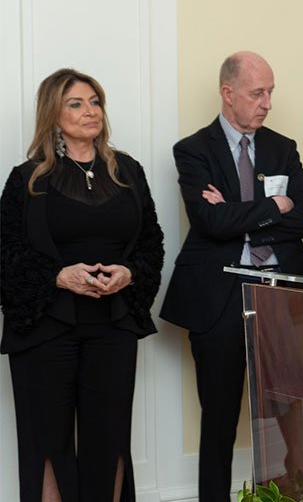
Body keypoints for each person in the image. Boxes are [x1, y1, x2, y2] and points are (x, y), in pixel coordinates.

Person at [160, 51, 303, 502]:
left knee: (291, 407)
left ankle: (298, 490)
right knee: (220, 418)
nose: (267, 102)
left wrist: (236, 213)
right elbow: (209, 223)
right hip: (220, 297)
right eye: (257, 93)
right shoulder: (193, 150)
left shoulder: (281, 147)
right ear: (228, 94)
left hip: (281, 293)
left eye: (271, 92)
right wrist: (274, 207)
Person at [0, 68, 165, 502]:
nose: (90, 111)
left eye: (95, 102)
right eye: (76, 103)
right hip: (46, 326)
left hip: (112, 324)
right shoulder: (27, 179)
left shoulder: (128, 171)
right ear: (53, 115)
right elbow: (7, 255)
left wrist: (129, 274)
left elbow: (152, 242)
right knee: (48, 442)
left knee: (108, 439)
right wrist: (58, 276)